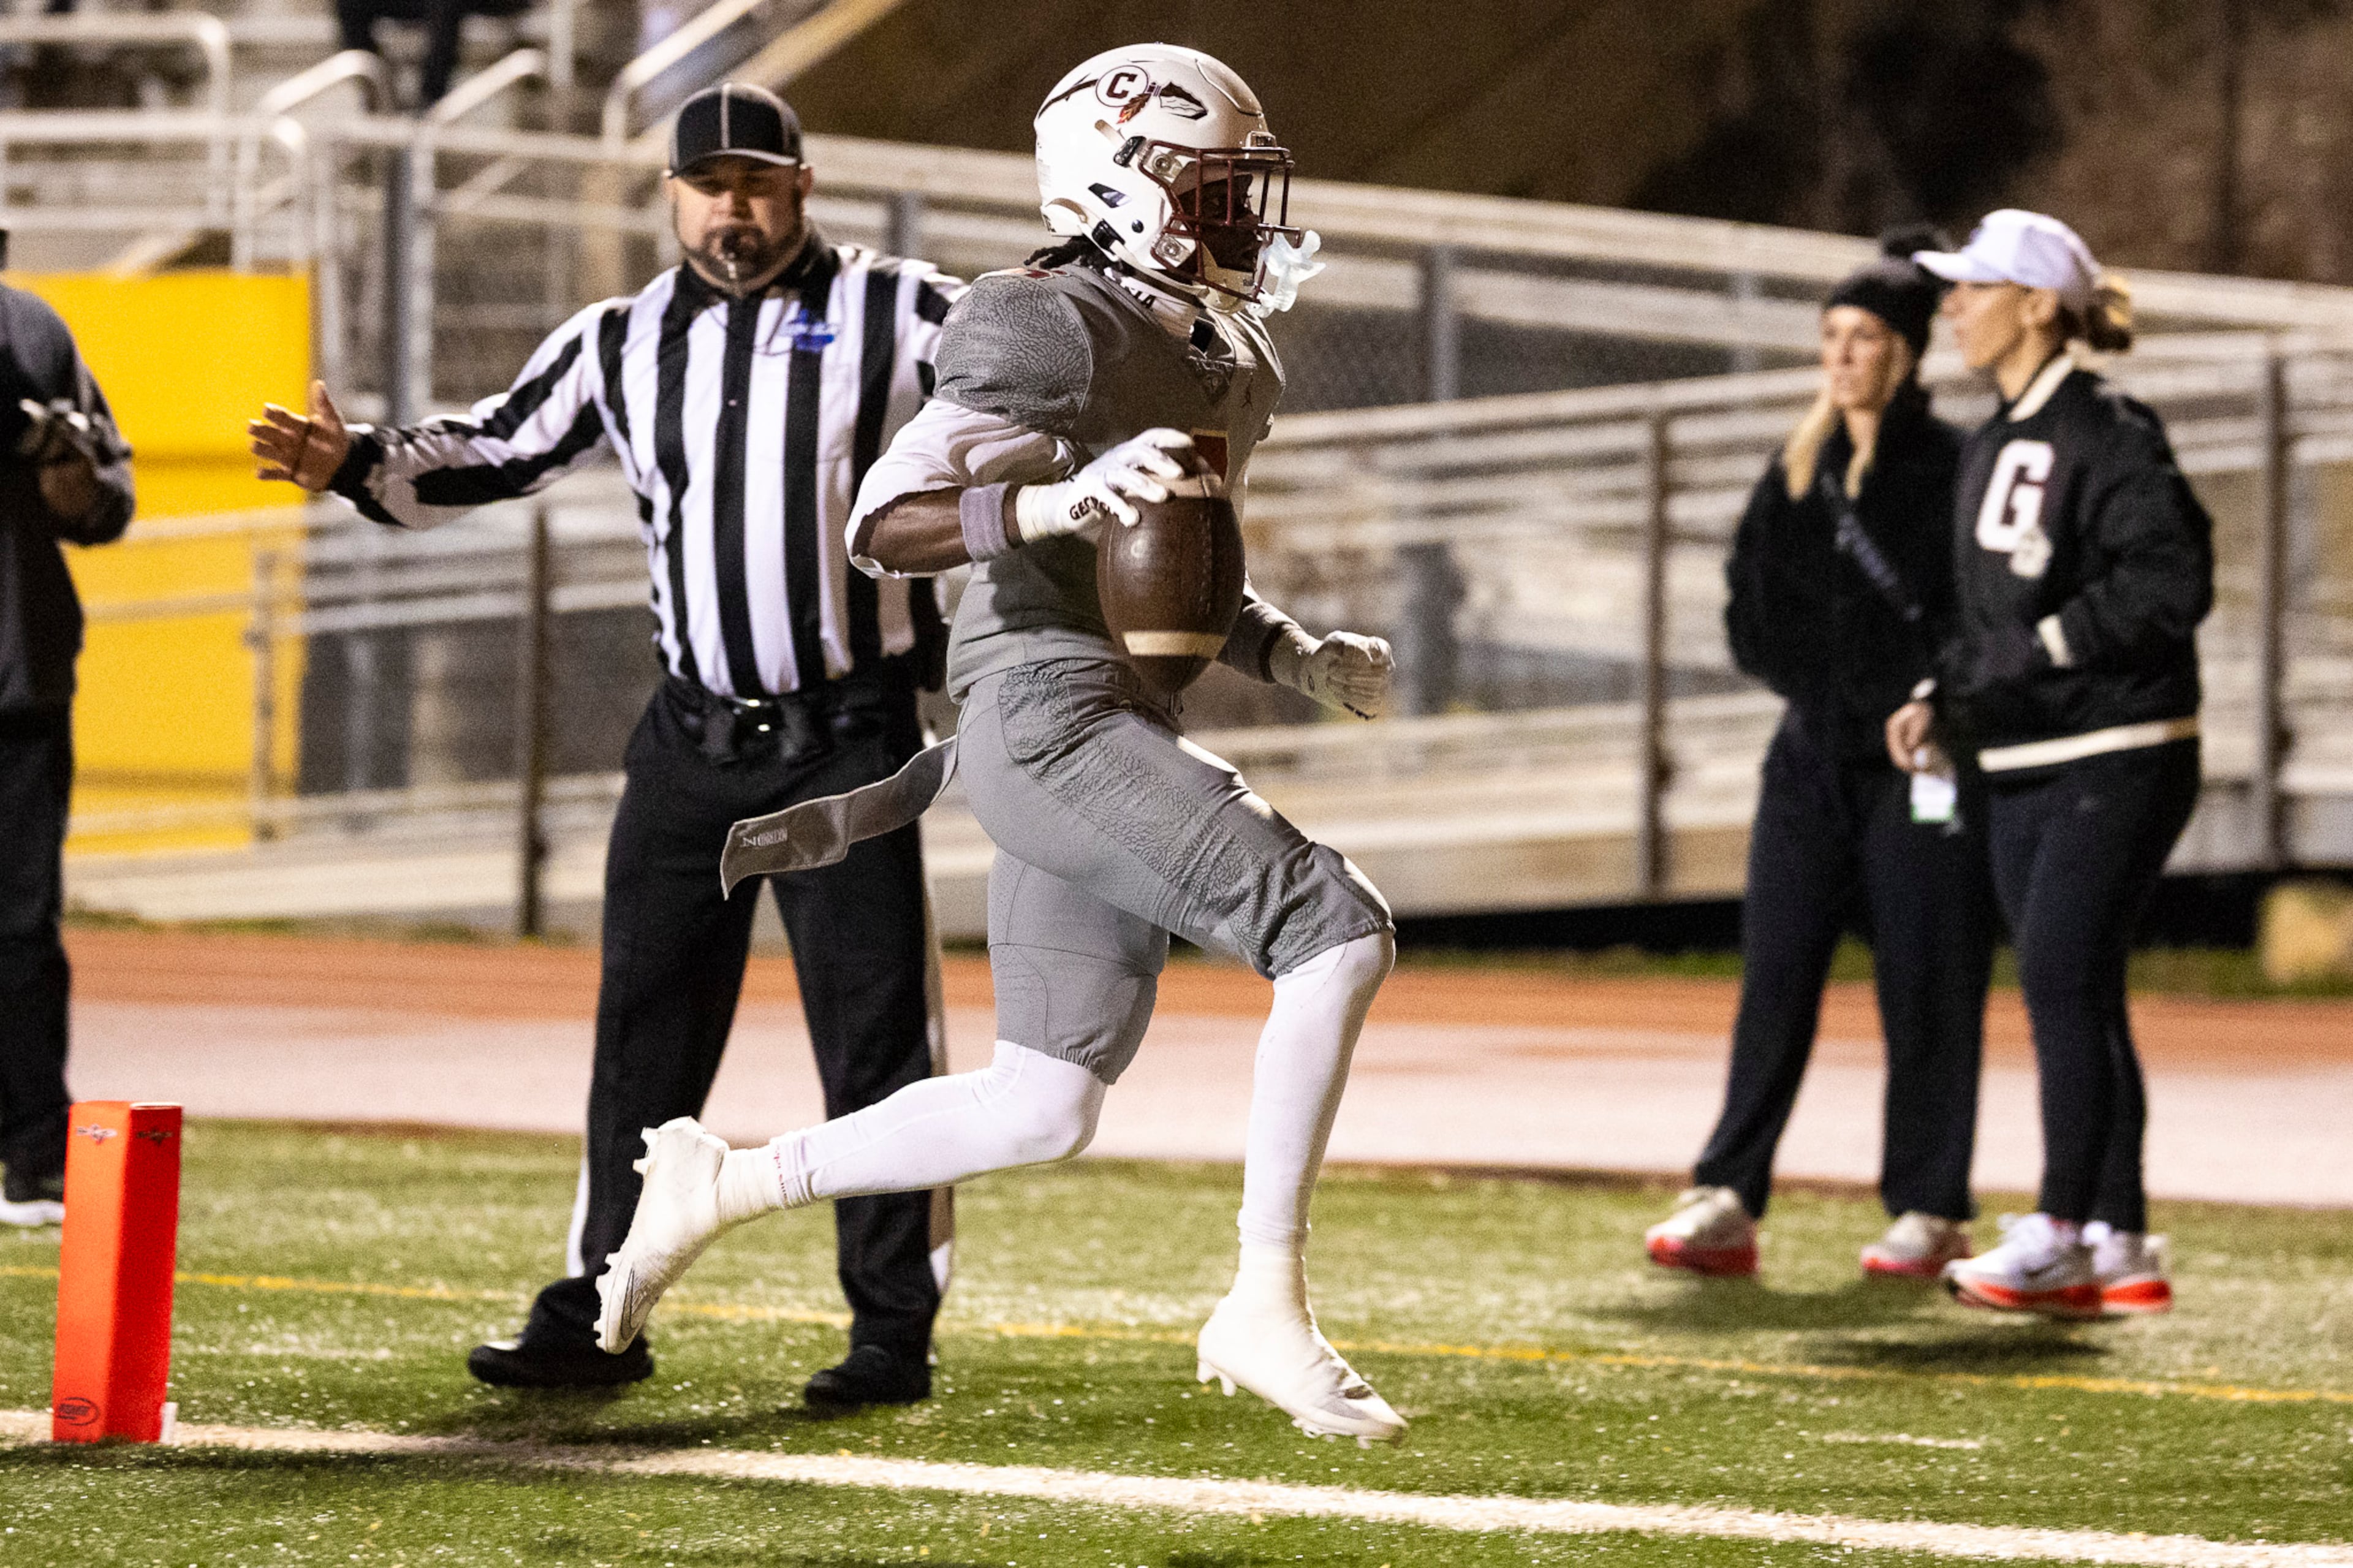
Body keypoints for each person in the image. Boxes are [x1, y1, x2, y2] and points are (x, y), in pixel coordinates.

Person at [583, 44, 1412, 1445]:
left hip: (1115, 710)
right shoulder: (1044, 321)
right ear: (1124, 186)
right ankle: (1264, 1300)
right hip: (1042, 711)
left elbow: (1169, 552)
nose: (1245, 221)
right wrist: (1047, 504)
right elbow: (884, 521)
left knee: (1041, 1105)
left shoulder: (1222, 348)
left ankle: (718, 1184)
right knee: (1336, 926)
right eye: (1216, 192)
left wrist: (1290, 652)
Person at [249, 83, 965, 1403]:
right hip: (690, 740)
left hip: (848, 739)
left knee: (874, 1044)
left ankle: (890, 1329)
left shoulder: (905, 310)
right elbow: (495, 449)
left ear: (803, 188)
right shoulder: (621, 338)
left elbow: (1031, 372)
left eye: (756, 182)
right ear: (672, 195)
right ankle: (599, 1306)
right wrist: (356, 463)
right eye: (708, 184)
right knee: (641, 1039)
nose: (731, 208)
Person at [1644, 233, 1996, 1284]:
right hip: (1807, 761)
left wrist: (1922, 700)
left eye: (1867, 338)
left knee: (1929, 985)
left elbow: (1978, 611)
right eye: (1832, 338)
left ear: (1908, 352)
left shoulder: (1953, 467)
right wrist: (1821, 687)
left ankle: (1931, 1208)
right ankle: (1728, 1193)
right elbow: (1749, 605)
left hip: (1919, 765)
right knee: (1777, 977)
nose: (1844, 357)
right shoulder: (1798, 469)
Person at [1890, 210, 2211, 1318]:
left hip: (2116, 748)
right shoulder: (1992, 437)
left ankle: (2065, 1227)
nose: (1953, 308)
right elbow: (1989, 616)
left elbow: (2171, 585)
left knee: (2063, 983)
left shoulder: (2110, 429)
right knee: (2083, 992)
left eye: (1972, 289)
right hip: (2027, 753)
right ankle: (2120, 1232)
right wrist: (1944, 692)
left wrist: (2046, 648)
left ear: (2035, 305)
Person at [0, 281, 134, 1228]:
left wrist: (69, 476)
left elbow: (106, 500)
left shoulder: (29, 329)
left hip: (16, 679)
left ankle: (36, 1154)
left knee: (20, 930)